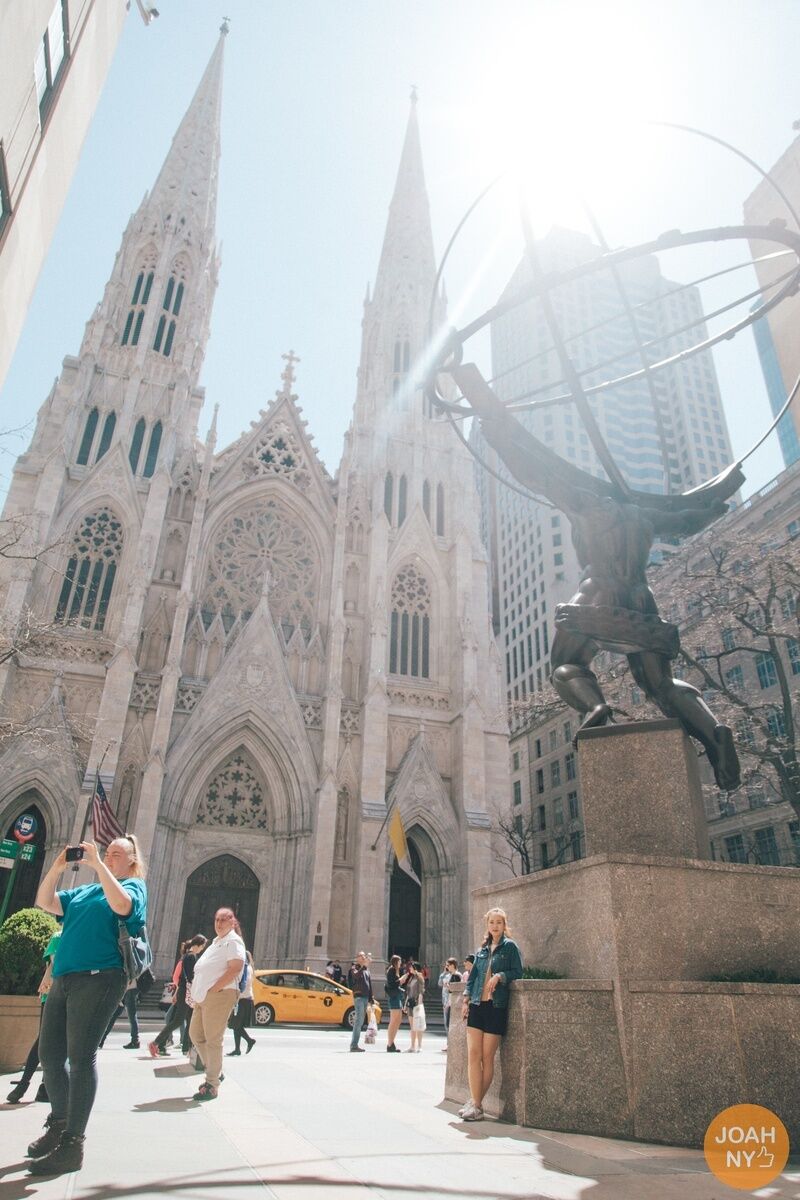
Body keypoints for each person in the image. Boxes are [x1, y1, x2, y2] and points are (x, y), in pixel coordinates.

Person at [27, 835, 147, 1174]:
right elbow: (44, 901)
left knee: (80, 1057)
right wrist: (57, 866)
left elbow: (123, 907)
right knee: (49, 1056)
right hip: (65, 978)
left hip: (102, 977)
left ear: (132, 862)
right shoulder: (83, 892)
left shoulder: (134, 887)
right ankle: (59, 1124)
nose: (108, 857)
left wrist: (96, 865)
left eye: (116, 853)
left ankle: (72, 1145)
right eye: (106, 852)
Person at [459, 907, 523, 1122]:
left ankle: (476, 1104)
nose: (495, 926)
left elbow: (518, 971)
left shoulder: (510, 947)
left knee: (487, 1058)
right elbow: (472, 977)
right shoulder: (482, 950)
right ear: (487, 926)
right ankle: (476, 1103)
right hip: (477, 1004)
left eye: (499, 922)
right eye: (492, 922)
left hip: (496, 1006)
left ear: (504, 925)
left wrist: (500, 976)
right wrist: (466, 999)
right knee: (473, 1056)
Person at [187, 908, 245, 1100]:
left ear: (232, 922)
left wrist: (215, 988)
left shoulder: (233, 941)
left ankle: (212, 1084)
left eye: (223, 920)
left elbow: (236, 967)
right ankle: (215, 1070)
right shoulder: (215, 942)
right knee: (195, 1034)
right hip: (204, 996)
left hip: (219, 994)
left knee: (213, 1039)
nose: (219, 923)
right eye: (217, 919)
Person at [6, 929, 60, 1104]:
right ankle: (26, 1083)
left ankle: (42, 1086)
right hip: (55, 994)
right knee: (45, 1040)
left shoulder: (62, 937)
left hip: (61, 994)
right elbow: (54, 965)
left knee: (52, 1041)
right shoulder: (60, 937)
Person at [148, 935, 207, 1058]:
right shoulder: (191, 957)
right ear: (198, 945)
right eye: (202, 947)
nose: (202, 949)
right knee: (179, 1020)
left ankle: (189, 1048)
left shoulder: (186, 956)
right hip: (187, 992)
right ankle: (156, 1043)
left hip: (184, 991)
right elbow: (191, 977)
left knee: (191, 1020)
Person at [227, 950, 256, 1056]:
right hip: (243, 999)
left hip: (243, 999)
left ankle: (249, 1040)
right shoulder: (248, 968)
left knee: (236, 1025)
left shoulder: (247, 969)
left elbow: (245, 983)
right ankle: (237, 1048)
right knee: (235, 1025)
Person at [347, 951, 373, 1052]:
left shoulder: (366, 970)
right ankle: (353, 1045)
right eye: (361, 956)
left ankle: (355, 1044)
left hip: (366, 997)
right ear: (357, 958)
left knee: (361, 1021)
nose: (363, 957)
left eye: (364, 955)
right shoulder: (354, 968)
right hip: (358, 997)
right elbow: (356, 976)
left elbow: (369, 984)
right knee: (358, 1021)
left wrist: (371, 999)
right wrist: (364, 966)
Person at [438, 957, 461, 1050]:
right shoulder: (449, 975)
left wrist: (448, 986)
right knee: (447, 1024)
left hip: (452, 1003)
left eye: (448, 965)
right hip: (447, 1002)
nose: (446, 967)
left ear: (452, 965)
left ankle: (452, 1044)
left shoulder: (457, 975)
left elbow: (456, 990)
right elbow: (440, 984)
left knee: (450, 1024)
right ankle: (450, 1044)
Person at [401, 962, 425, 1052]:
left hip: (417, 1003)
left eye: (411, 967)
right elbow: (408, 992)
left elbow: (421, 992)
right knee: (412, 1026)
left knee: (418, 1025)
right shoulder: (411, 978)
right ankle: (412, 1046)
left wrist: (419, 1004)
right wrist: (405, 1005)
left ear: (415, 968)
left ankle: (419, 1046)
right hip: (410, 1003)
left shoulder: (419, 977)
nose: (409, 969)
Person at [384, 954, 404, 1053]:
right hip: (394, 998)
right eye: (399, 962)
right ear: (396, 962)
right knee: (393, 1021)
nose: (401, 964)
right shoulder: (391, 970)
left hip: (397, 997)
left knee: (398, 1020)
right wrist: (401, 980)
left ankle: (392, 1042)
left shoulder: (394, 970)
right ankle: (390, 1044)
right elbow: (392, 984)